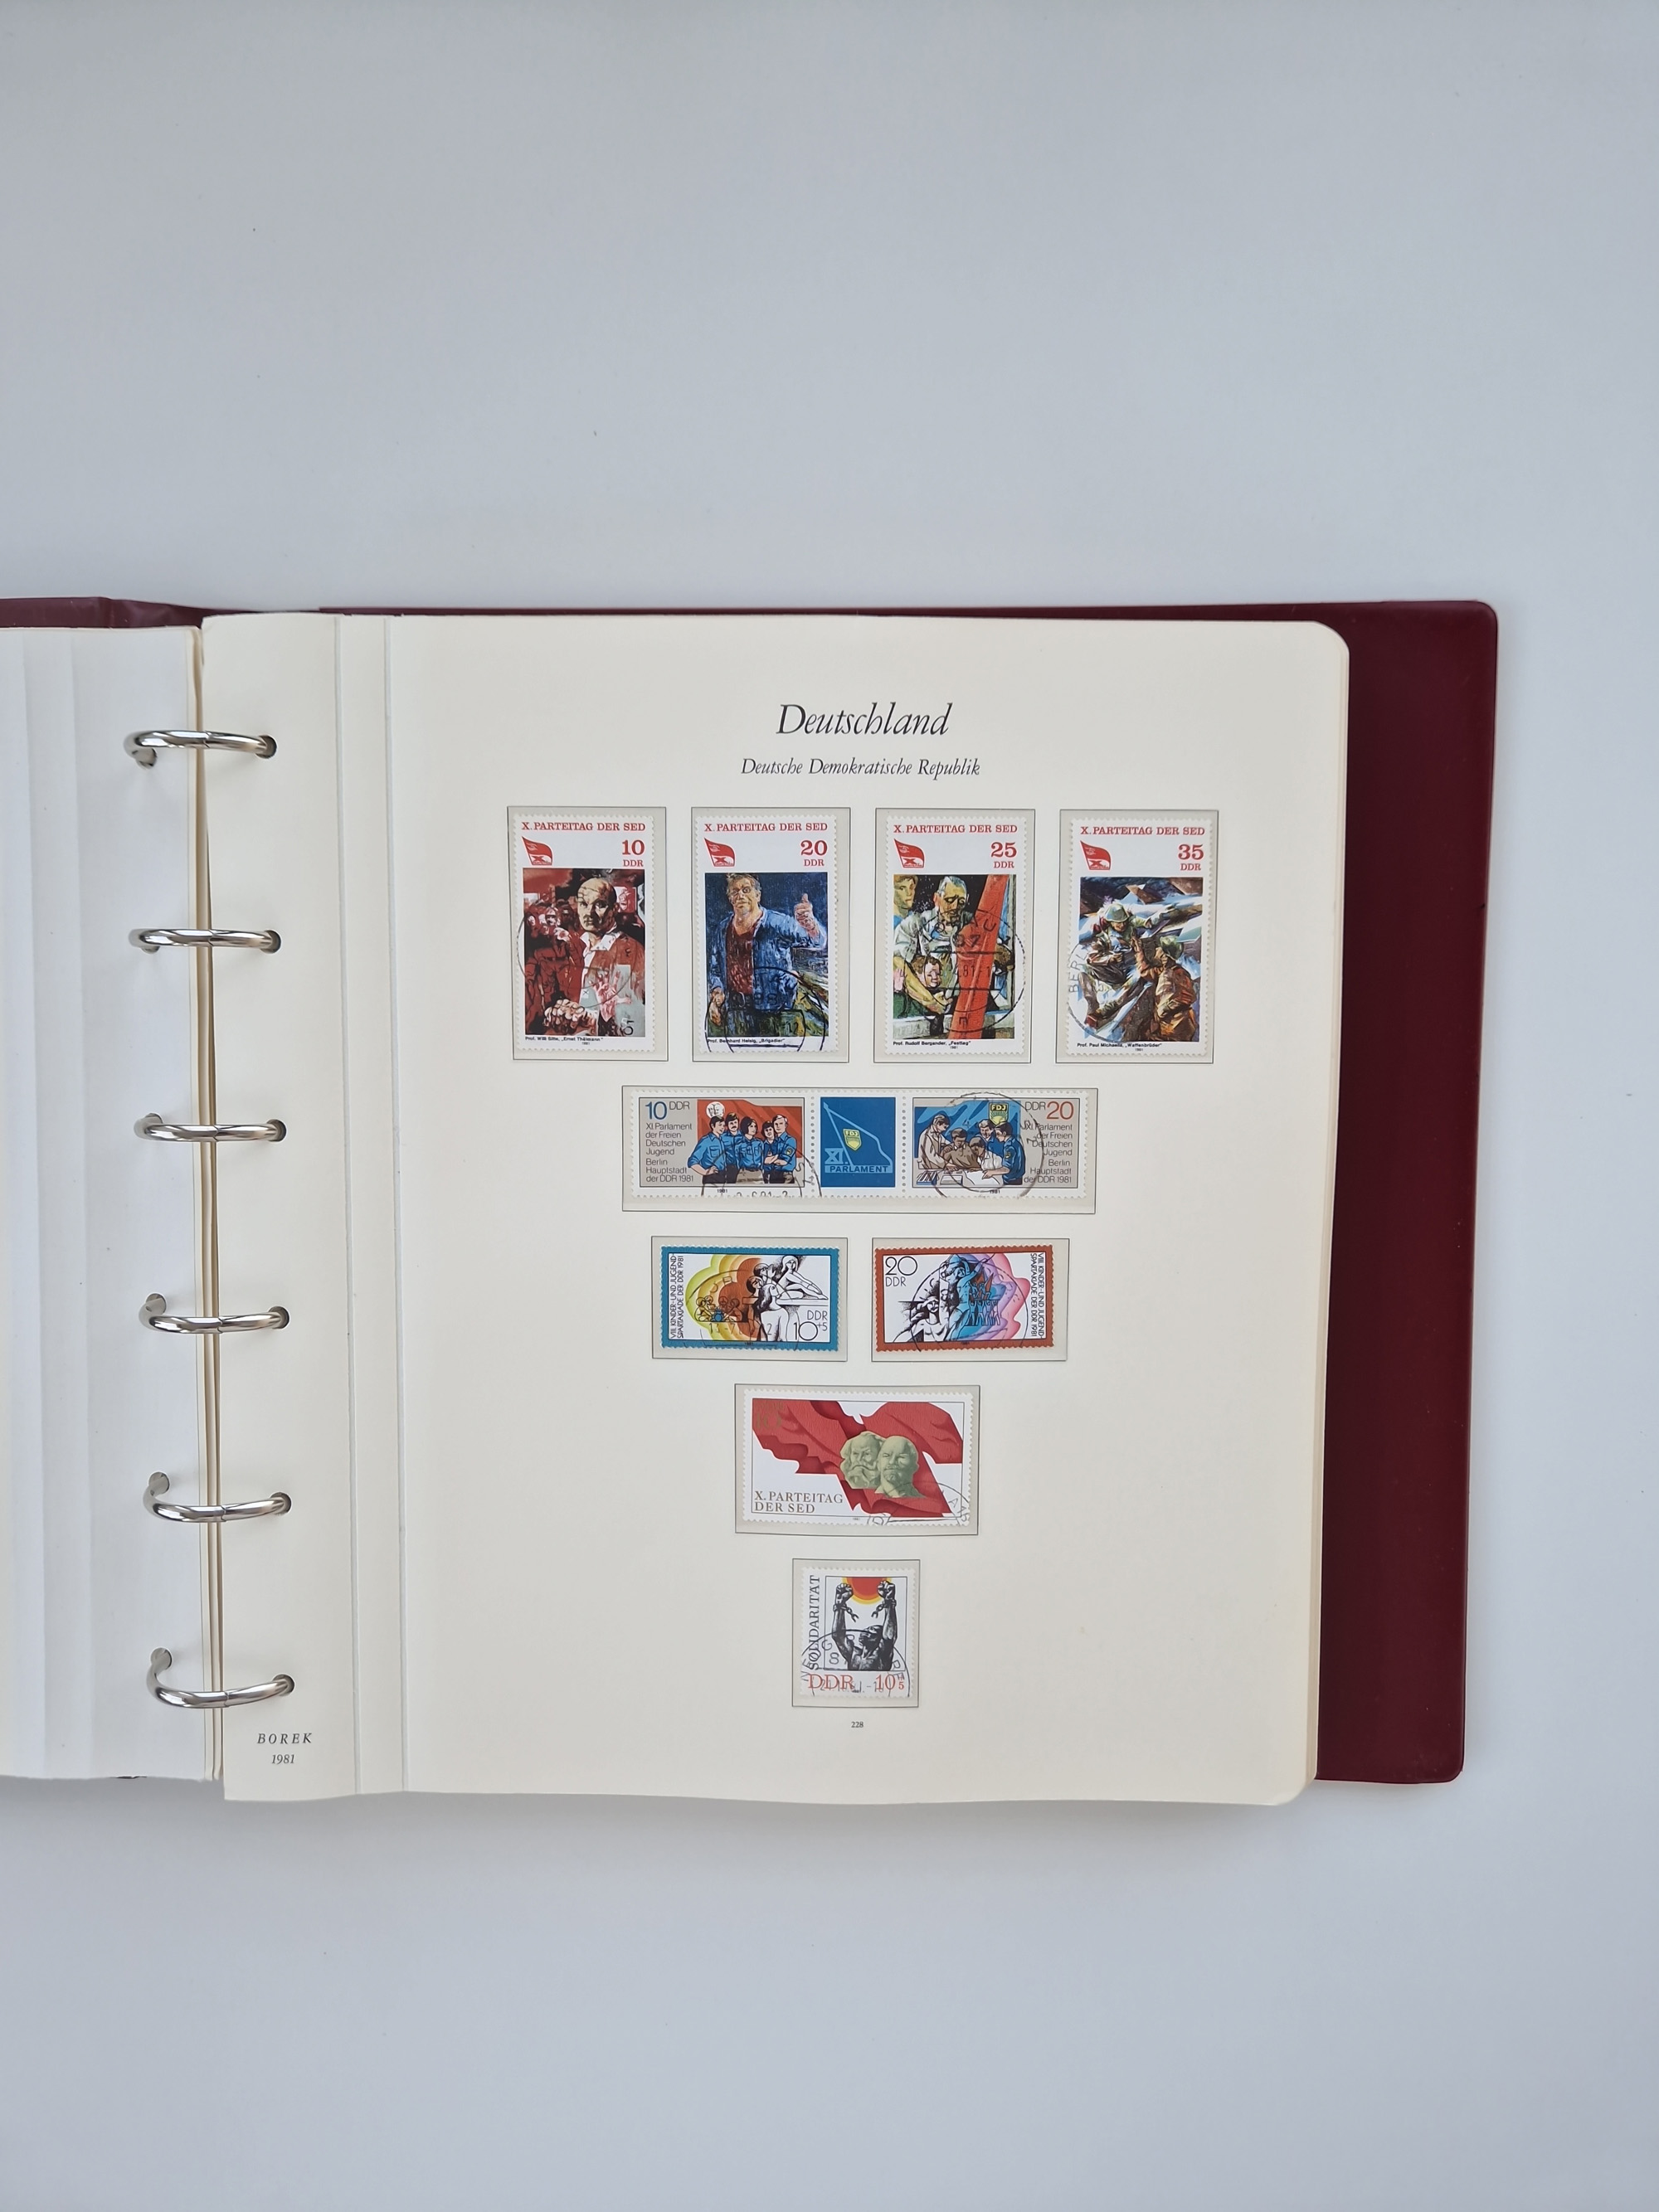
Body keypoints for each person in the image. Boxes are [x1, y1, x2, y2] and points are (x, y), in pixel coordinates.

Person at [706, 873, 826, 1039]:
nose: (740, 895)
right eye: (735, 892)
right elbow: (715, 969)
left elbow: (817, 941)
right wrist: (716, 994)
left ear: (758, 895)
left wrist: (811, 925)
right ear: (730, 899)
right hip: (736, 1013)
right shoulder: (722, 929)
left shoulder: (779, 923)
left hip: (777, 1012)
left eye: (746, 890)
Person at [687, 1103, 732, 1185]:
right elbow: (692, 1161)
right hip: (711, 1178)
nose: (722, 1127)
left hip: (724, 1177)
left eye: (723, 1125)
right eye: (720, 1125)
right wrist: (705, 1172)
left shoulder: (722, 1140)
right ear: (713, 1126)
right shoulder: (706, 1141)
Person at [761, 1113, 797, 1184]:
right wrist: (775, 1158)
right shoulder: (773, 1141)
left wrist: (770, 1160)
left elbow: (783, 1161)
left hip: (785, 1175)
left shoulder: (790, 1140)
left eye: (781, 1123)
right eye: (776, 1124)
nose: (778, 1126)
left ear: (785, 1125)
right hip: (773, 1175)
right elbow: (765, 1160)